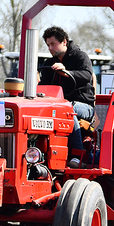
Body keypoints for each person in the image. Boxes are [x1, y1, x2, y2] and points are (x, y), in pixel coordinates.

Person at [38, 26, 95, 155]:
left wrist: (67, 73)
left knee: (68, 108)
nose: (50, 48)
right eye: (48, 45)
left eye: (53, 44)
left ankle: (77, 154)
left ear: (64, 42)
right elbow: (44, 85)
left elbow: (87, 75)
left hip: (84, 106)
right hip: (57, 105)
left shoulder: (80, 56)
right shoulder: (49, 63)